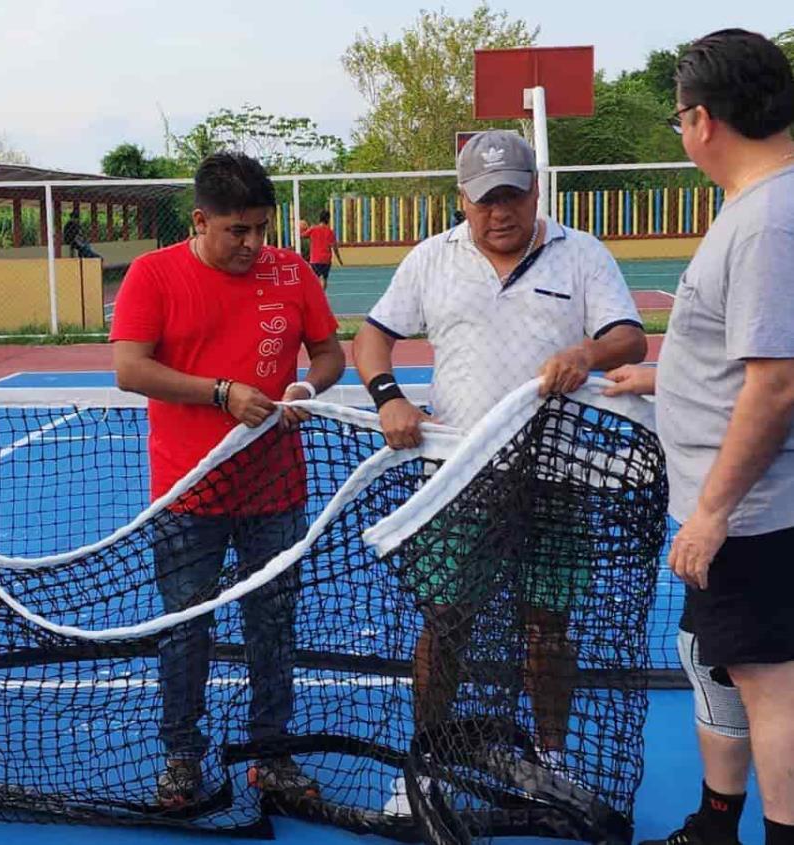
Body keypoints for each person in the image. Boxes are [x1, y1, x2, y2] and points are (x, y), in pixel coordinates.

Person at [353, 130, 647, 783]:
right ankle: (426, 758)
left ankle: (551, 759)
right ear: (461, 198)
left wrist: (585, 353)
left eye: (512, 196)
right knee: (445, 619)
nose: (499, 213)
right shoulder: (430, 259)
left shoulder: (582, 254)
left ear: (534, 190)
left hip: (556, 475)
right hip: (455, 477)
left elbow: (628, 338)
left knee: (547, 625)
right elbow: (371, 338)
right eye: (484, 200)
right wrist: (388, 398)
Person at [110, 152, 345, 808]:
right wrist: (220, 392)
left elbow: (330, 353)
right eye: (236, 231)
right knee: (186, 627)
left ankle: (269, 752)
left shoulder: (292, 270)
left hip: (276, 490)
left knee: (273, 624)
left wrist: (305, 383)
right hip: (188, 494)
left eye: (260, 230)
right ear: (200, 219)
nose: (252, 245)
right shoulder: (153, 276)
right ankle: (182, 756)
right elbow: (129, 368)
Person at [605, 29, 794, 845]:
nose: (682, 134)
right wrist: (664, 376)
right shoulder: (762, 210)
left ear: (704, 119)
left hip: (751, 513)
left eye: (679, 117)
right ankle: (716, 824)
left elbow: (777, 380)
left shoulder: (765, 221)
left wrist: (712, 514)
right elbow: (746, 355)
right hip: (742, 505)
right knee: (723, 664)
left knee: (772, 686)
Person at [304, 210, 343, 288]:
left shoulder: (313, 229)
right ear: (328, 219)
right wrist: (339, 259)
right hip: (326, 260)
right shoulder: (330, 232)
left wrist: (302, 228)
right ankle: (322, 296)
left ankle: (319, 295)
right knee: (324, 279)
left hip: (315, 259)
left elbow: (303, 235)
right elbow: (335, 247)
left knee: (317, 278)